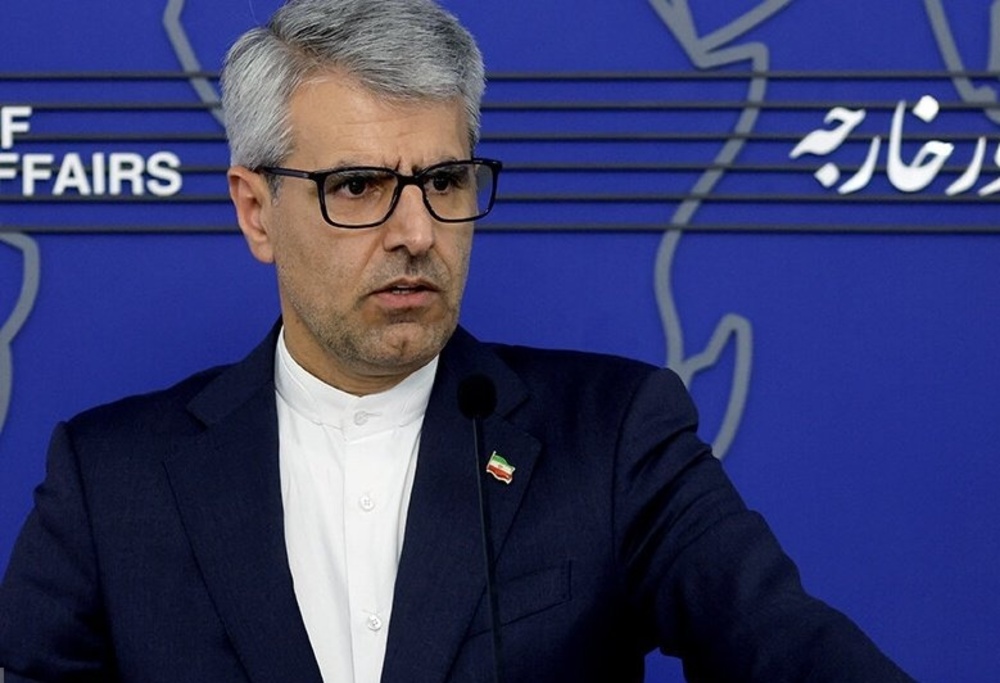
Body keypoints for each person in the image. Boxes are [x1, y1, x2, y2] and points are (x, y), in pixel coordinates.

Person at [0, 1, 917, 681]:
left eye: (445, 180)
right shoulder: (111, 480)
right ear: (255, 210)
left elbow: (788, 645)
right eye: (357, 186)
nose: (417, 232)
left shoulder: (613, 438)